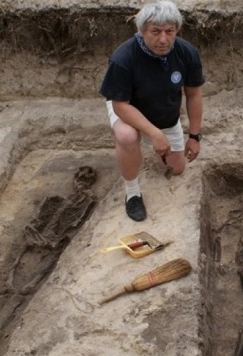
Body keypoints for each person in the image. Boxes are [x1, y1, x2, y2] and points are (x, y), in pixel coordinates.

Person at [99, 0, 205, 222]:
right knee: (127, 136)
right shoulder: (123, 58)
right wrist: (155, 134)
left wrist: (194, 136)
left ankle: (150, 148)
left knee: (177, 168)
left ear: (176, 30)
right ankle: (132, 191)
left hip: (164, 110)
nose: (163, 39)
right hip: (129, 106)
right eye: (155, 32)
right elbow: (120, 105)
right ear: (142, 31)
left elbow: (194, 95)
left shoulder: (187, 53)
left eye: (169, 31)